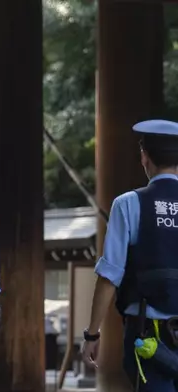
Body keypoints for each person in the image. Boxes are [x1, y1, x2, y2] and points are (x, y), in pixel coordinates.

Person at [82, 120, 178, 391]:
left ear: (144, 157)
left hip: (148, 336)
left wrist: (92, 334)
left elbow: (109, 277)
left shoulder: (129, 204)